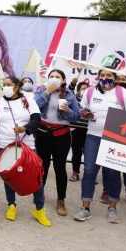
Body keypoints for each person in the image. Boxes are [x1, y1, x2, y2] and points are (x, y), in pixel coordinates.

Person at [73, 68, 126, 224]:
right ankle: (85, 208)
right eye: (102, 75)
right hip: (93, 137)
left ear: (115, 78)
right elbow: (82, 109)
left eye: (109, 75)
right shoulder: (90, 92)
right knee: (89, 172)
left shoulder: (123, 93)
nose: (105, 78)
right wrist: (85, 113)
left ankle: (112, 208)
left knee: (113, 174)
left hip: (114, 140)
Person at [0, 76, 50, 226]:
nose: (5, 87)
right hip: (4, 143)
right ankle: (11, 205)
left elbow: (36, 119)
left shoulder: (27, 100)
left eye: (8, 84)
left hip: (26, 143)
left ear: (16, 87)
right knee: (9, 175)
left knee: (35, 174)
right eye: (3, 85)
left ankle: (39, 208)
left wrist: (25, 129)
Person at [34, 69, 80, 217]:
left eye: (57, 77)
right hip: (43, 133)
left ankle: (61, 199)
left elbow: (76, 117)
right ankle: (39, 196)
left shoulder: (69, 95)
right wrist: (46, 91)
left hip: (61, 134)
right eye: (51, 76)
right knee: (43, 165)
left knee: (60, 167)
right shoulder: (42, 90)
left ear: (63, 80)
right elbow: (34, 106)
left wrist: (67, 111)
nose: (54, 78)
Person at [98, 73, 126, 206]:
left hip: (125, 136)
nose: (121, 81)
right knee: (108, 164)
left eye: (124, 79)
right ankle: (106, 190)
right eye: (119, 79)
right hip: (109, 135)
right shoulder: (107, 93)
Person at [69, 81, 90, 182]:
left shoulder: (92, 100)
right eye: (83, 89)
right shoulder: (73, 99)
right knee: (76, 152)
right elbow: (69, 90)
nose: (85, 90)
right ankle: (75, 172)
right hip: (76, 130)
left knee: (89, 154)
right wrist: (73, 83)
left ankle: (89, 174)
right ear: (78, 90)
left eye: (87, 88)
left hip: (89, 130)